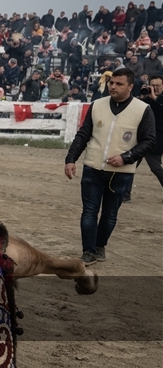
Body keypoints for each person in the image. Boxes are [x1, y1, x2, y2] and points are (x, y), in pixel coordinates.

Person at [64, 68, 155, 264]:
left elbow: (149, 141)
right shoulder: (97, 105)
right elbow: (83, 135)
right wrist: (71, 159)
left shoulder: (142, 110)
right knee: (89, 211)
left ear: (130, 87)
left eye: (119, 84)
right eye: (112, 82)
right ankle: (88, 251)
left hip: (121, 172)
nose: (113, 86)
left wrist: (126, 157)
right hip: (93, 168)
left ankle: (100, 246)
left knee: (110, 214)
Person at [141, 75, 163, 189]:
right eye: (152, 85)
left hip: (159, 138)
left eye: (157, 86)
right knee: (130, 165)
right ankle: (125, 194)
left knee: (155, 167)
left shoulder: (159, 99)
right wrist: (142, 95)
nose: (155, 88)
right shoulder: (147, 98)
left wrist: (155, 98)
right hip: (144, 138)